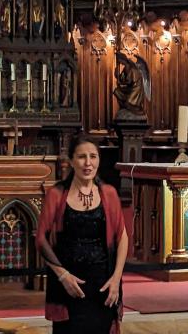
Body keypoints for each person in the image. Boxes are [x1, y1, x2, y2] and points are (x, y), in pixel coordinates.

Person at [36, 135, 128, 334]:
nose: (88, 163)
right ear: (70, 161)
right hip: (69, 287)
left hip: (102, 285)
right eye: (81, 157)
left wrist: (116, 280)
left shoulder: (109, 193)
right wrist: (63, 276)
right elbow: (41, 240)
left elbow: (122, 238)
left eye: (93, 156)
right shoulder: (57, 194)